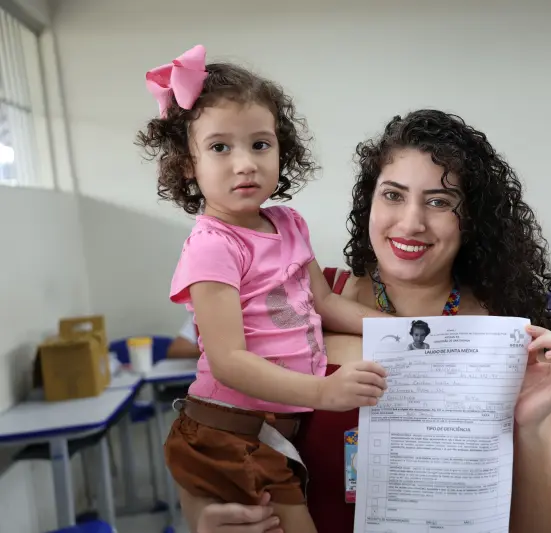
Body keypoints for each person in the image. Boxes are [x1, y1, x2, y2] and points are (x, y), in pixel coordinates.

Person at [190, 109, 551, 533]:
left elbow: (545, 528)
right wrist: (202, 519)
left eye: (439, 202)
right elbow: (210, 429)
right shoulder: (300, 301)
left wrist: (531, 425)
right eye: (393, 195)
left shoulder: (503, 333)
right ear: (369, 202)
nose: (411, 223)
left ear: (471, 219)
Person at [135, 44, 390, 533]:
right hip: (227, 430)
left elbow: (325, 302)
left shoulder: (288, 223)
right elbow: (228, 362)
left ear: (281, 149)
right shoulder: (212, 246)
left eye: (260, 144)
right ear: (187, 164)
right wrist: (323, 391)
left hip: (267, 432)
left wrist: (402, 327)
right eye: (219, 147)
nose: (245, 163)